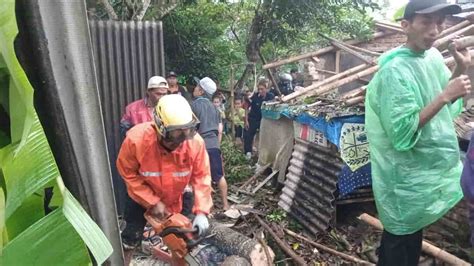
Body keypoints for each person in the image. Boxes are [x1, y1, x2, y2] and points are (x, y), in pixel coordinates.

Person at [365, 1, 471, 265]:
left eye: (440, 23)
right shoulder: (393, 71)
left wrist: (460, 67)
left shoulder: (432, 58)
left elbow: (448, 107)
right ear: (406, 25)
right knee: (399, 243)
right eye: (426, 22)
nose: (435, 30)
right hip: (403, 182)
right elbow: (402, 133)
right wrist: (446, 95)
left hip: (422, 181)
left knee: (406, 245)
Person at [117, 94, 213, 251]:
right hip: (140, 195)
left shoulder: (195, 144)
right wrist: (152, 201)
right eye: (176, 133)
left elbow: (202, 177)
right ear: (160, 127)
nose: (181, 139)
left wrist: (202, 211)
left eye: (186, 132)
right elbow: (128, 174)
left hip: (177, 196)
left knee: (183, 242)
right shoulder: (137, 140)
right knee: (129, 240)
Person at [192, 77, 229, 210]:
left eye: (196, 87)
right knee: (219, 176)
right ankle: (226, 205)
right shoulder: (215, 109)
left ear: (201, 91)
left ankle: (207, 208)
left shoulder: (194, 105)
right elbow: (219, 129)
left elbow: (192, 128)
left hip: (201, 145)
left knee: (202, 177)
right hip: (214, 144)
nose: (194, 89)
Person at [244, 80, 275, 159]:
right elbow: (246, 108)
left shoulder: (270, 96)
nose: (260, 91)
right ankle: (248, 152)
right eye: (259, 89)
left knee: (265, 136)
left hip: (265, 120)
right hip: (253, 119)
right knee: (249, 135)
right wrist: (246, 120)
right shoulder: (254, 96)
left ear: (266, 89)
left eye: (262, 89)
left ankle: (263, 154)